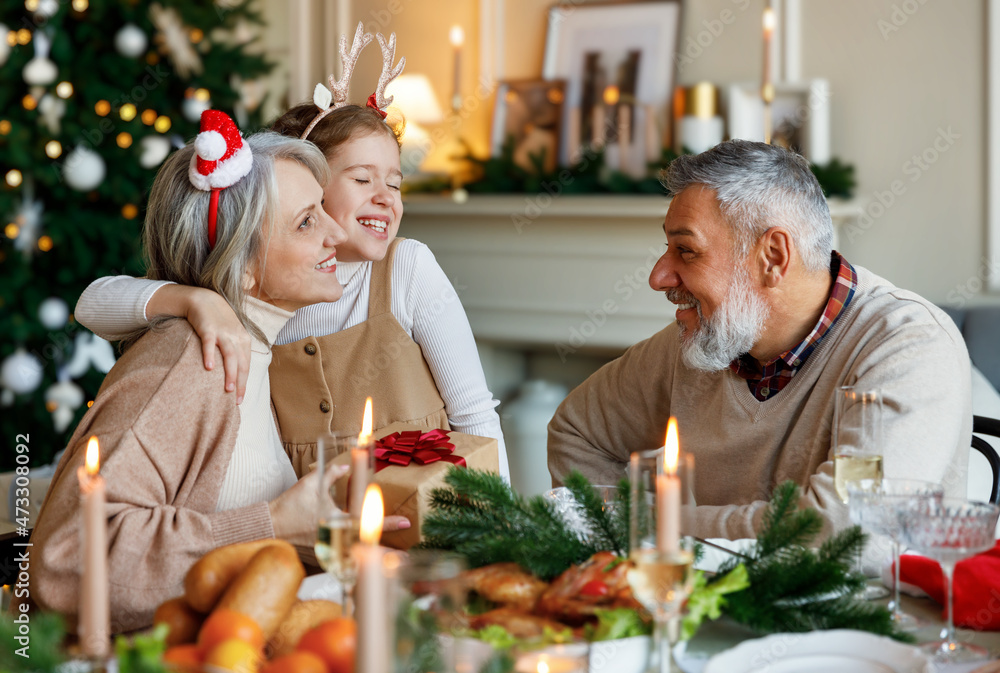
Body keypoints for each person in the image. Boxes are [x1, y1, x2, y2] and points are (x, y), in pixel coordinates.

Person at [74, 24, 509, 481]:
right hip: (316, 532)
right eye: (362, 179)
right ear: (311, 188)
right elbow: (94, 302)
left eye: (395, 183)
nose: (385, 196)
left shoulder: (407, 269)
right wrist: (193, 299)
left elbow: (475, 414)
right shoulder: (265, 285)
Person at [548, 139, 971, 542]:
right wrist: (620, 555)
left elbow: (848, 529)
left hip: (867, 616)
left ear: (773, 257)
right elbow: (578, 432)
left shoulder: (907, 347)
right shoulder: (706, 342)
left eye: (687, 251)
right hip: (722, 608)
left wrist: (657, 528)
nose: (658, 276)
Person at [29, 115, 356, 632]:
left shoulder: (249, 346)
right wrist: (272, 525)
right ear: (244, 265)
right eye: (307, 221)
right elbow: (68, 563)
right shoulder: (192, 360)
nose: (338, 232)